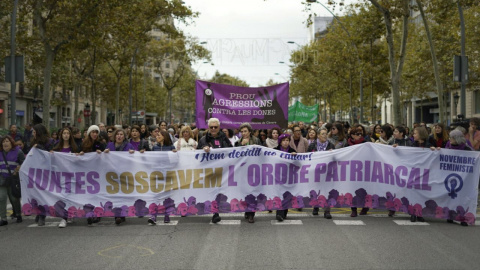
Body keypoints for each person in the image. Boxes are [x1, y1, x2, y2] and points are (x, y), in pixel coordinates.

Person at [197, 118, 232, 224]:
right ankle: (215, 213)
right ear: (208, 127)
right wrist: (203, 148)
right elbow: (197, 154)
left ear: (219, 127)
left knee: (219, 191)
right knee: (213, 191)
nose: (213, 129)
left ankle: (215, 211)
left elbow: (231, 149)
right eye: (211, 127)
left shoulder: (224, 138)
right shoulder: (203, 139)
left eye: (215, 127)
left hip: (222, 169)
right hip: (209, 170)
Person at [104, 129, 134, 225]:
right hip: (112, 175)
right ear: (114, 136)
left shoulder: (128, 146)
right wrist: (105, 153)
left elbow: (135, 159)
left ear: (124, 136)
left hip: (124, 173)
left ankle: (122, 214)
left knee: (123, 194)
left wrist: (133, 153)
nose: (119, 136)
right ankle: (118, 215)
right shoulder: (109, 145)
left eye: (121, 134)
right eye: (117, 134)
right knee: (115, 194)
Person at [51, 128, 79, 227]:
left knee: (68, 196)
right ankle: (65, 216)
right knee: (63, 196)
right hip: (60, 176)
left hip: (71, 176)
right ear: (61, 135)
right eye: (64, 133)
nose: (66, 135)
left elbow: (80, 160)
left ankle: (66, 216)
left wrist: (79, 155)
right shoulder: (57, 148)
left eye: (68, 133)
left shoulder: (75, 148)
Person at [235, 123, 262, 223]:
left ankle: (251, 214)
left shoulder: (256, 140)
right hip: (243, 170)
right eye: (242, 132)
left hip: (254, 169)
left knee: (253, 192)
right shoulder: (238, 142)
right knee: (245, 192)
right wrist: (241, 146)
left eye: (245, 131)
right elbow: (235, 155)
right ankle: (247, 210)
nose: (243, 133)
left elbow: (262, 152)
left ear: (249, 132)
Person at [30, 124, 54, 226]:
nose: (33, 134)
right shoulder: (32, 141)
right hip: (35, 171)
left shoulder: (49, 142)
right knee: (36, 194)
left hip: (45, 172)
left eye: (34, 132)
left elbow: (51, 154)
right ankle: (38, 212)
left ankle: (42, 214)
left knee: (43, 194)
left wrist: (39, 147)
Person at [307, 127, 334, 218]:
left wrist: (332, 154)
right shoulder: (312, 145)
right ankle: (316, 206)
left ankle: (327, 211)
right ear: (318, 135)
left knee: (327, 191)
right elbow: (308, 158)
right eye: (323, 134)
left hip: (327, 172)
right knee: (316, 189)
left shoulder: (330, 145)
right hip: (316, 172)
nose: (325, 136)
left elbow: (335, 159)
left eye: (326, 134)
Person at [0, 136, 25, 226]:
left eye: (7, 141)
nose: (5, 143)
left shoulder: (18, 152)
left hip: (13, 179)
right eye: (3, 142)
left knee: (14, 198)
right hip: (1, 179)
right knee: (1, 198)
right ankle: (3, 218)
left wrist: (18, 169)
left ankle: (18, 214)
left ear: (11, 143)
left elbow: (24, 163)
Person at [346, 128, 369, 217]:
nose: (360, 136)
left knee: (364, 189)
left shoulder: (365, 143)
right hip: (351, 169)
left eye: (360, 134)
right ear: (352, 135)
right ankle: (354, 209)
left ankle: (365, 206)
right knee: (352, 190)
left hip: (363, 169)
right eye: (357, 134)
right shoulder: (347, 143)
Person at [274, 133, 296, 222]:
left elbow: (298, 163)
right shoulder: (274, 150)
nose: (285, 142)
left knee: (287, 195)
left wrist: (295, 157)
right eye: (283, 140)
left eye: (287, 140)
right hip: (277, 176)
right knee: (279, 195)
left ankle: (284, 212)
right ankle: (279, 213)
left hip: (288, 177)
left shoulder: (292, 150)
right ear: (280, 142)